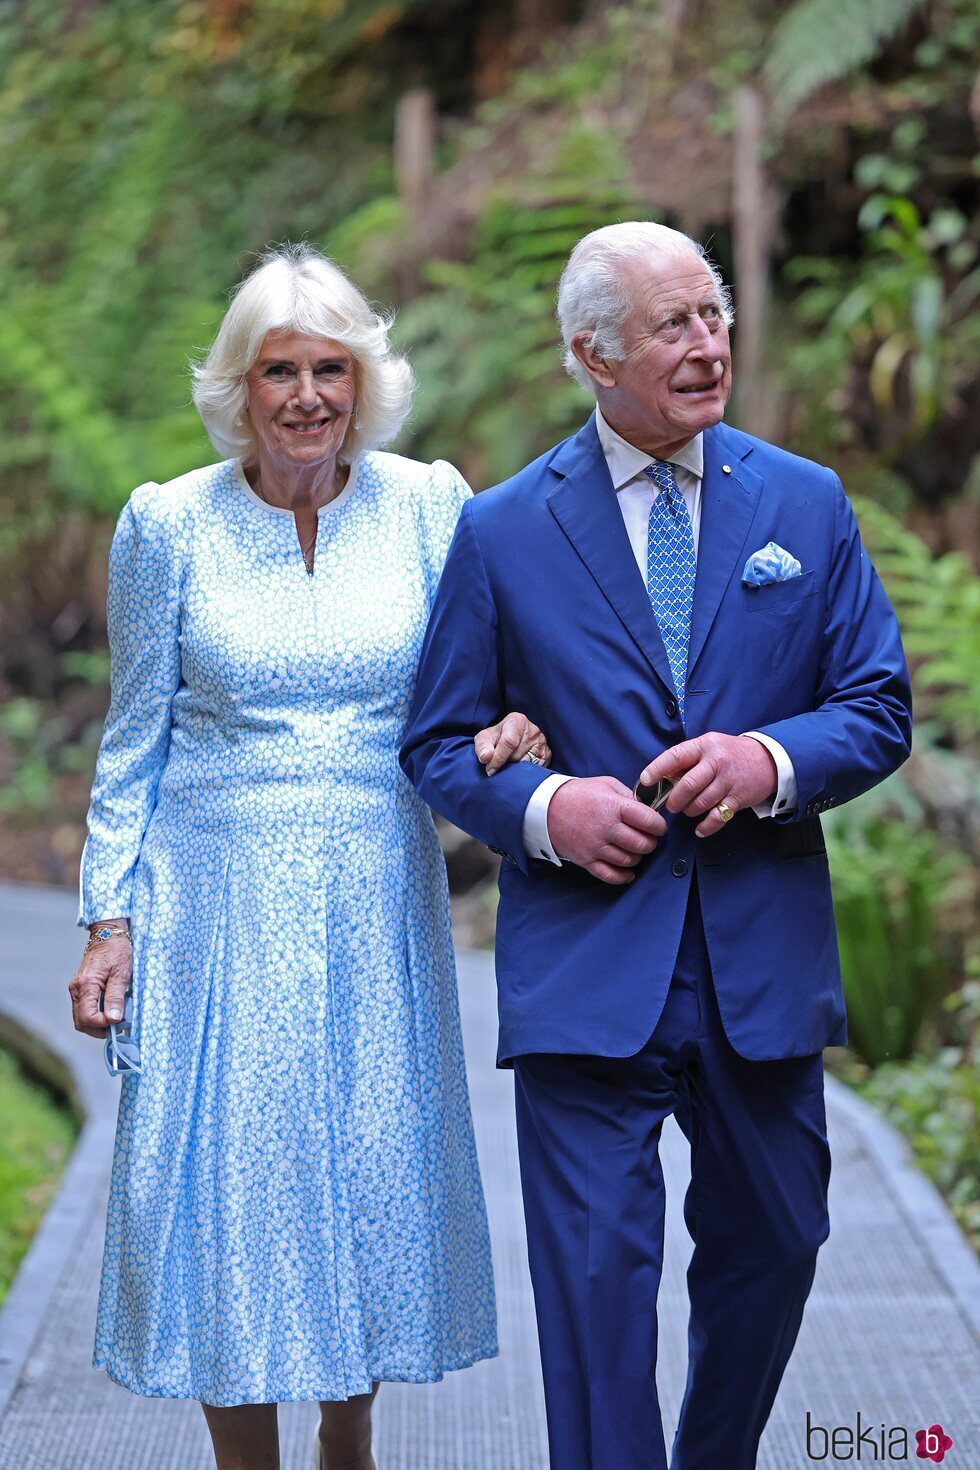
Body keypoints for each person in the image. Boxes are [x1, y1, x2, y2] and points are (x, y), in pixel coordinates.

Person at [401, 221, 913, 1470]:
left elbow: (876, 704)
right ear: (591, 353)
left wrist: (768, 762)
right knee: (590, 1291)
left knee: (780, 1241)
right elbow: (433, 742)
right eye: (672, 325)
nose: (707, 344)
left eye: (713, 315)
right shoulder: (505, 528)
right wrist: (546, 812)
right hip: (586, 965)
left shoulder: (803, 501)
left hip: (759, 960)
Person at [69, 243, 551, 1470]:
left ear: (362, 380)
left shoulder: (429, 504)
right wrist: (106, 920)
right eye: (277, 370)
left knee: (362, 1169)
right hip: (212, 901)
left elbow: (475, 681)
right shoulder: (166, 524)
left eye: (327, 369)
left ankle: (348, 1439)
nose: (303, 398)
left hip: (371, 889)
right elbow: (132, 741)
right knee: (232, 1189)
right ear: (239, 385)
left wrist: (507, 723)